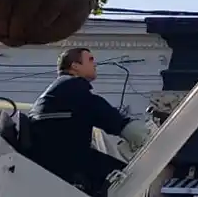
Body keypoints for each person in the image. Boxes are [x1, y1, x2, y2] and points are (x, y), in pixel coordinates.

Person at [25, 47, 151, 196]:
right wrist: (136, 132)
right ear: (75, 66)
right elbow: (102, 113)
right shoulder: (72, 87)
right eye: (90, 60)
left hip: (57, 157)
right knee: (128, 179)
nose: (95, 64)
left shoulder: (60, 89)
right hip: (68, 161)